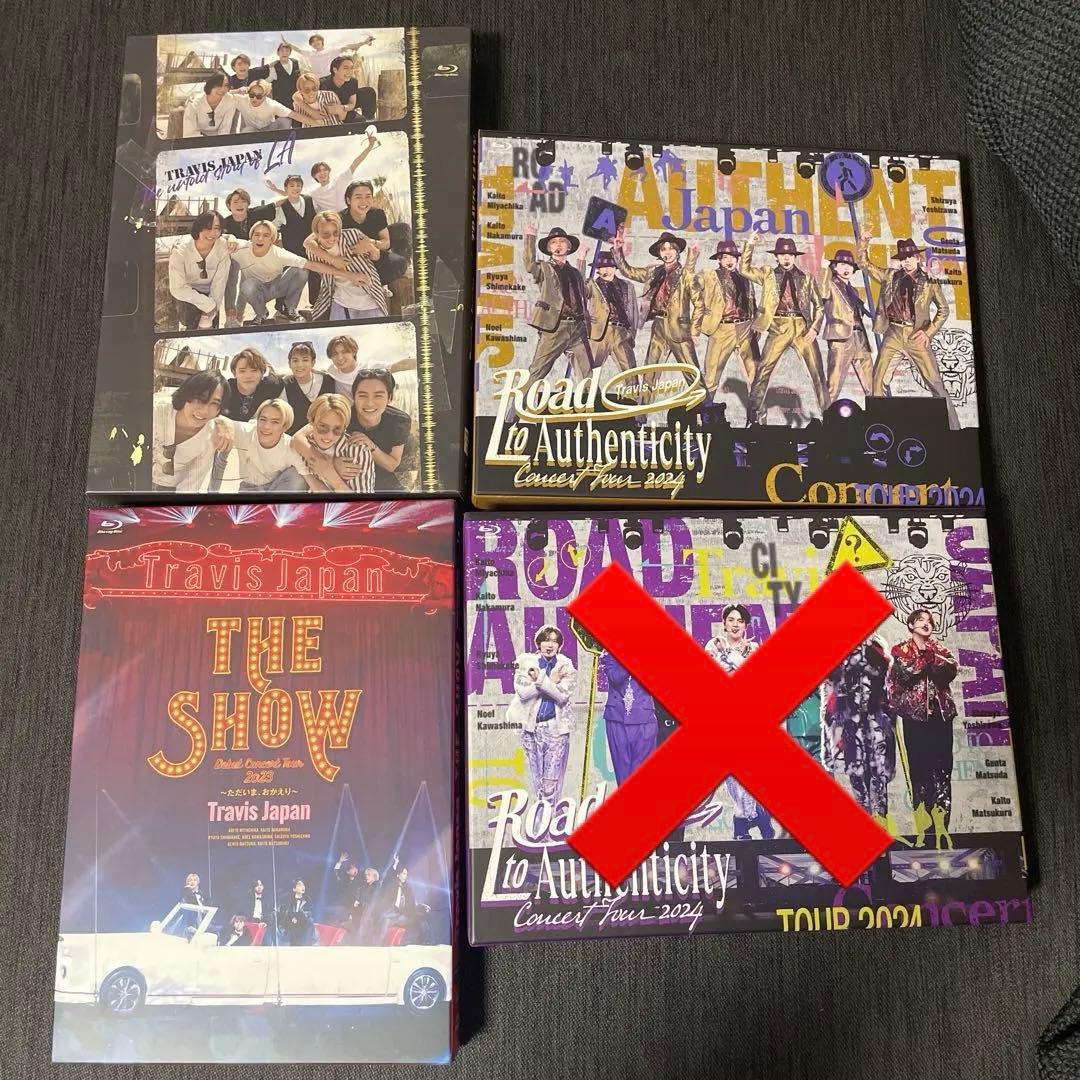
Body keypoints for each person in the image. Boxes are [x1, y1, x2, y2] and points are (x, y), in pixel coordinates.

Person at [856, 229, 958, 429]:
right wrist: (863, 241)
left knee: (936, 385)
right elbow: (864, 264)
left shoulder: (929, 282)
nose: (907, 261)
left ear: (917, 258)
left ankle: (955, 430)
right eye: (903, 258)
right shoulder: (890, 276)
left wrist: (928, 332)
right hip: (893, 333)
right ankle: (878, 432)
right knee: (877, 381)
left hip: (916, 336)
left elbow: (944, 310)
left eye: (910, 257)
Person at [887, 608, 959, 848]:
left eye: (929, 621)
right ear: (910, 625)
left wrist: (929, 658)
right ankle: (925, 833)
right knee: (920, 774)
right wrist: (928, 659)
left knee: (943, 773)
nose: (926, 623)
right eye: (920, 620)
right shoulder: (900, 650)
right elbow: (908, 673)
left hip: (941, 718)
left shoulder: (941, 650)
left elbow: (950, 670)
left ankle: (942, 831)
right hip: (915, 720)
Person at [740, 233, 828, 424]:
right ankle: (753, 418)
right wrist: (750, 244)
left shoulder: (807, 278)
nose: (786, 258)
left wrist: (814, 328)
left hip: (802, 328)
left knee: (817, 372)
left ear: (795, 256)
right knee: (763, 370)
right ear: (776, 257)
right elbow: (744, 269)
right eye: (782, 255)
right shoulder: (768, 275)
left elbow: (820, 306)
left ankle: (830, 417)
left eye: (789, 255)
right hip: (778, 326)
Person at [705, 604, 775, 840]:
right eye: (731, 620)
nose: (735, 625)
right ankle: (754, 816)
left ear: (746, 625)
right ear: (724, 623)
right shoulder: (712, 646)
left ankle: (743, 822)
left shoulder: (753, 648)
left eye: (740, 621)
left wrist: (730, 657)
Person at [611, 227, 703, 393]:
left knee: (693, 375)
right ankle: (642, 410)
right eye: (663, 249)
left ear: (677, 251)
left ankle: (706, 408)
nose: (667, 252)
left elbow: (700, 304)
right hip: (659, 327)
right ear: (659, 253)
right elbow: (628, 271)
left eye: (671, 248)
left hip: (680, 330)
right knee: (649, 375)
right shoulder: (653, 272)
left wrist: (695, 331)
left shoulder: (686, 274)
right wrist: (618, 250)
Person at [229, 220, 370, 325]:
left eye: (266, 235)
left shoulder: (279, 254)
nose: (260, 239)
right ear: (251, 236)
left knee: (301, 270)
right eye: (257, 234)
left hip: (277, 287)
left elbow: (312, 265)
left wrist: (349, 275)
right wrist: (230, 236)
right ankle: (261, 314)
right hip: (258, 291)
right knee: (247, 285)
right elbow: (221, 238)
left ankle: (290, 309)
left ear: (272, 239)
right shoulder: (240, 248)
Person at [825, 638, 897, 832]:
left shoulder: (878, 647)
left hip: (876, 722)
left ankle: (880, 827)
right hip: (851, 723)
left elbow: (889, 686)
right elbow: (833, 691)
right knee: (857, 777)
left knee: (878, 777)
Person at [519, 224, 592, 395]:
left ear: (569, 246)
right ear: (548, 248)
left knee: (587, 376)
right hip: (555, 328)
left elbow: (581, 285)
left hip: (577, 329)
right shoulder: (544, 268)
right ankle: (514, 410)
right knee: (537, 372)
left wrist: (582, 258)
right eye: (553, 242)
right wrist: (530, 237)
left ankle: (591, 411)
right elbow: (529, 265)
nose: (558, 244)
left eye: (562, 241)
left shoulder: (574, 272)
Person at [506, 626, 577, 802]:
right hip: (531, 730)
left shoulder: (565, 666)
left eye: (554, 641)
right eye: (546, 640)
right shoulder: (525, 662)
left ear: (559, 645)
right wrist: (550, 681)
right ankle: (542, 817)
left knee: (550, 785)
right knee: (537, 782)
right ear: (539, 643)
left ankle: (550, 814)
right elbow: (523, 693)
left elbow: (562, 696)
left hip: (556, 730)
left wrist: (539, 681)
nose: (550, 645)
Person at [693, 238, 760, 401]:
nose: (729, 260)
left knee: (756, 375)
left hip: (745, 327)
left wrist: (756, 326)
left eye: (732, 257)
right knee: (711, 376)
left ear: (737, 259)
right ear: (719, 259)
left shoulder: (745, 277)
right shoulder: (710, 276)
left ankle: (755, 415)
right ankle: (706, 412)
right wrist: (702, 312)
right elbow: (691, 286)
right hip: (721, 329)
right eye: (725, 257)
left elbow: (752, 302)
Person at [152, 369, 233, 491]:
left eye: (214, 403)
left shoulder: (211, 436)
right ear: (187, 393)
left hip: (170, 491)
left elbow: (191, 485)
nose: (205, 410)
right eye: (200, 398)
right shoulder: (157, 412)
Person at [303, 209, 387, 321]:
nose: (331, 238)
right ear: (316, 233)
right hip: (341, 302)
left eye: (335, 233)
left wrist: (371, 248)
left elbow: (376, 257)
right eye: (326, 234)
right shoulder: (313, 252)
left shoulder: (352, 235)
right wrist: (338, 265)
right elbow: (323, 271)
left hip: (370, 298)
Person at [291, 393, 376, 494]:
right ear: (312, 422)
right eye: (323, 427)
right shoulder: (300, 447)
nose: (329, 436)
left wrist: (331, 475)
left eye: (337, 429)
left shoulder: (358, 452)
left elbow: (362, 503)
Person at [819, 247, 874, 400]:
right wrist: (823, 270)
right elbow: (821, 292)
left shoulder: (854, 291)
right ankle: (827, 414)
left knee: (872, 386)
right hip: (841, 340)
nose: (846, 268)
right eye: (842, 264)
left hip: (860, 338)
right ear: (835, 267)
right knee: (833, 386)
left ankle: (877, 413)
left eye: (849, 265)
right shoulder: (830, 284)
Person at [576, 247, 639, 377]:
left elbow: (633, 313)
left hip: (621, 333)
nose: (606, 269)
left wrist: (631, 335)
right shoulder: (592, 285)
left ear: (615, 267)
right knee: (588, 374)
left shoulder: (627, 285)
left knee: (631, 375)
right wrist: (581, 258)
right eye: (602, 267)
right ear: (598, 269)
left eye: (610, 266)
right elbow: (579, 286)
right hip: (599, 335)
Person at [599, 650, 657, 786]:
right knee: (623, 774)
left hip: (645, 718)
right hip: (617, 719)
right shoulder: (609, 654)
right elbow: (615, 677)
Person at [166, 211, 231, 329]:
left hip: (211, 294)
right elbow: (177, 288)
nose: (212, 233)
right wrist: (208, 305)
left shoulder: (223, 247)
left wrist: (211, 310)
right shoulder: (180, 251)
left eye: (216, 228)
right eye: (207, 228)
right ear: (199, 227)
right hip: (188, 292)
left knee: (209, 327)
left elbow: (219, 283)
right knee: (190, 322)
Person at [232, 398, 308, 492]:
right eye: (263, 419)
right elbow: (221, 422)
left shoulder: (290, 446)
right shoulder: (246, 431)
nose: (266, 427)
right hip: (250, 488)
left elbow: (308, 478)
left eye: (275, 422)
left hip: (277, 487)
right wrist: (225, 426)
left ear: (285, 427)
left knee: (297, 475)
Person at [339, 179, 405, 286]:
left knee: (400, 260)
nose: (364, 201)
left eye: (368, 197)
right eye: (358, 197)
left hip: (375, 254)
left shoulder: (377, 214)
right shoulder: (339, 219)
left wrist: (370, 244)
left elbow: (386, 243)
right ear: (348, 200)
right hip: (354, 260)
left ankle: (378, 283)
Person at [220, 346, 286, 422]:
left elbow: (289, 378)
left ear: (262, 373)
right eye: (242, 371)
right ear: (235, 373)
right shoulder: (225, 389)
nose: (248, 376)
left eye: (254, 370)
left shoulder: (271, 386)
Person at [281, 341, 335, 433]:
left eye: (305, 360)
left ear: (313, 362)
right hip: (295, 436)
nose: (299, 365)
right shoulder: (285, 384)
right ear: (289, 364)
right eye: (295, 360)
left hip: (326, 434)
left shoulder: (328, 380)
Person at [280, 32, 375, 80]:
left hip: (330, 78)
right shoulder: (310, 53)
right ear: (311, 45)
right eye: (313, 42)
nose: (315, 42)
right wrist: (286, 43)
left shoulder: (331, 51)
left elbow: (348, 46)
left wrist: (364, 42)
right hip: (317, 79)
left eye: (317, 40)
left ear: (322, 41)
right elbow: (297, 49)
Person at [377, 865, 428, 943]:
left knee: (387, 919)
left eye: (406, 874)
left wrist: (421, 905)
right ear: (398, 874)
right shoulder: (392, 886)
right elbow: (387, 879)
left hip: (404, 915)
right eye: (403, 873)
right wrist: (394, 866)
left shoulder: (408, 888)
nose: (405, 876)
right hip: (393, 913)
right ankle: (380, 943)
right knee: (386, 919)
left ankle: (380, 942)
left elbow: (413, 902)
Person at [232, 79, 306, 132]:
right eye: (252, 95)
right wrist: (237, 90)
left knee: (285, 121)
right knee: (247, 130)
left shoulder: (272, 105)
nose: (254, 98)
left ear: (265, 96)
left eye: (259, 96)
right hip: (252, 131)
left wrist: (312, 122)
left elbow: (294, 115)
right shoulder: (242, 100)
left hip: (269, 131)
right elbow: (226, 94)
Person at [181, 73, 239, 137]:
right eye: (218, 85)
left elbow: (225, 130)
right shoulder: (193, 104)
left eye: (226, 85)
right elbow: (189, 134)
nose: (222, 89)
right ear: (210, 85)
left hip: (218, 138)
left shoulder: (230, 101)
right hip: (197, 137)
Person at [320, 56, 359, 122]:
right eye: (346, 68)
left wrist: (343, 108)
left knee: (360, 119)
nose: (350, 72)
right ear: (335, 70)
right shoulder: (322, 83)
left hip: (344, 110)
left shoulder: (353, 82)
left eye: (351, 68)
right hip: (326, 114)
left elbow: (352, 104)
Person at [278, 879, 314, 945]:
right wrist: (292, 919)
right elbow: (285, 914)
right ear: (294, 889)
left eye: (303, 885)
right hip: (291, 927)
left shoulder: (307, 900)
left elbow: (310, 913)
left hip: (303, 926)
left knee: (310, 921)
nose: (303, 887)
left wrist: (297, 917)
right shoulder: (289, 900)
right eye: (299, 885)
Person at [267, 42, 301, 107]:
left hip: (295, 100)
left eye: (287, 51)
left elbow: (299, 78)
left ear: (290, 53)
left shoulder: (295, 62)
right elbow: (269, 80)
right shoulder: (273, 66)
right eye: (282, 51)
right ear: (278, 53)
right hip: (280, 101)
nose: (284, 53)